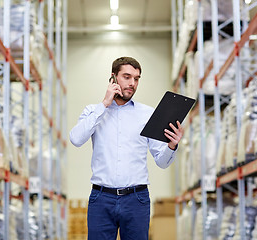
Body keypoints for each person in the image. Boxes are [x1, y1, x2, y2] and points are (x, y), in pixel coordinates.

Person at [69, 56, 183, 240]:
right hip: (101, 198)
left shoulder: (147, 114)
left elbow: (162, 161)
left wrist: (172, 145)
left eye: (136, 79)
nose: (132, 83)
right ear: (113, 78)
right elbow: (76, 138)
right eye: (127, 77)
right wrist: (104, 104)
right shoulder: (93, 111)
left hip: (136, 199)